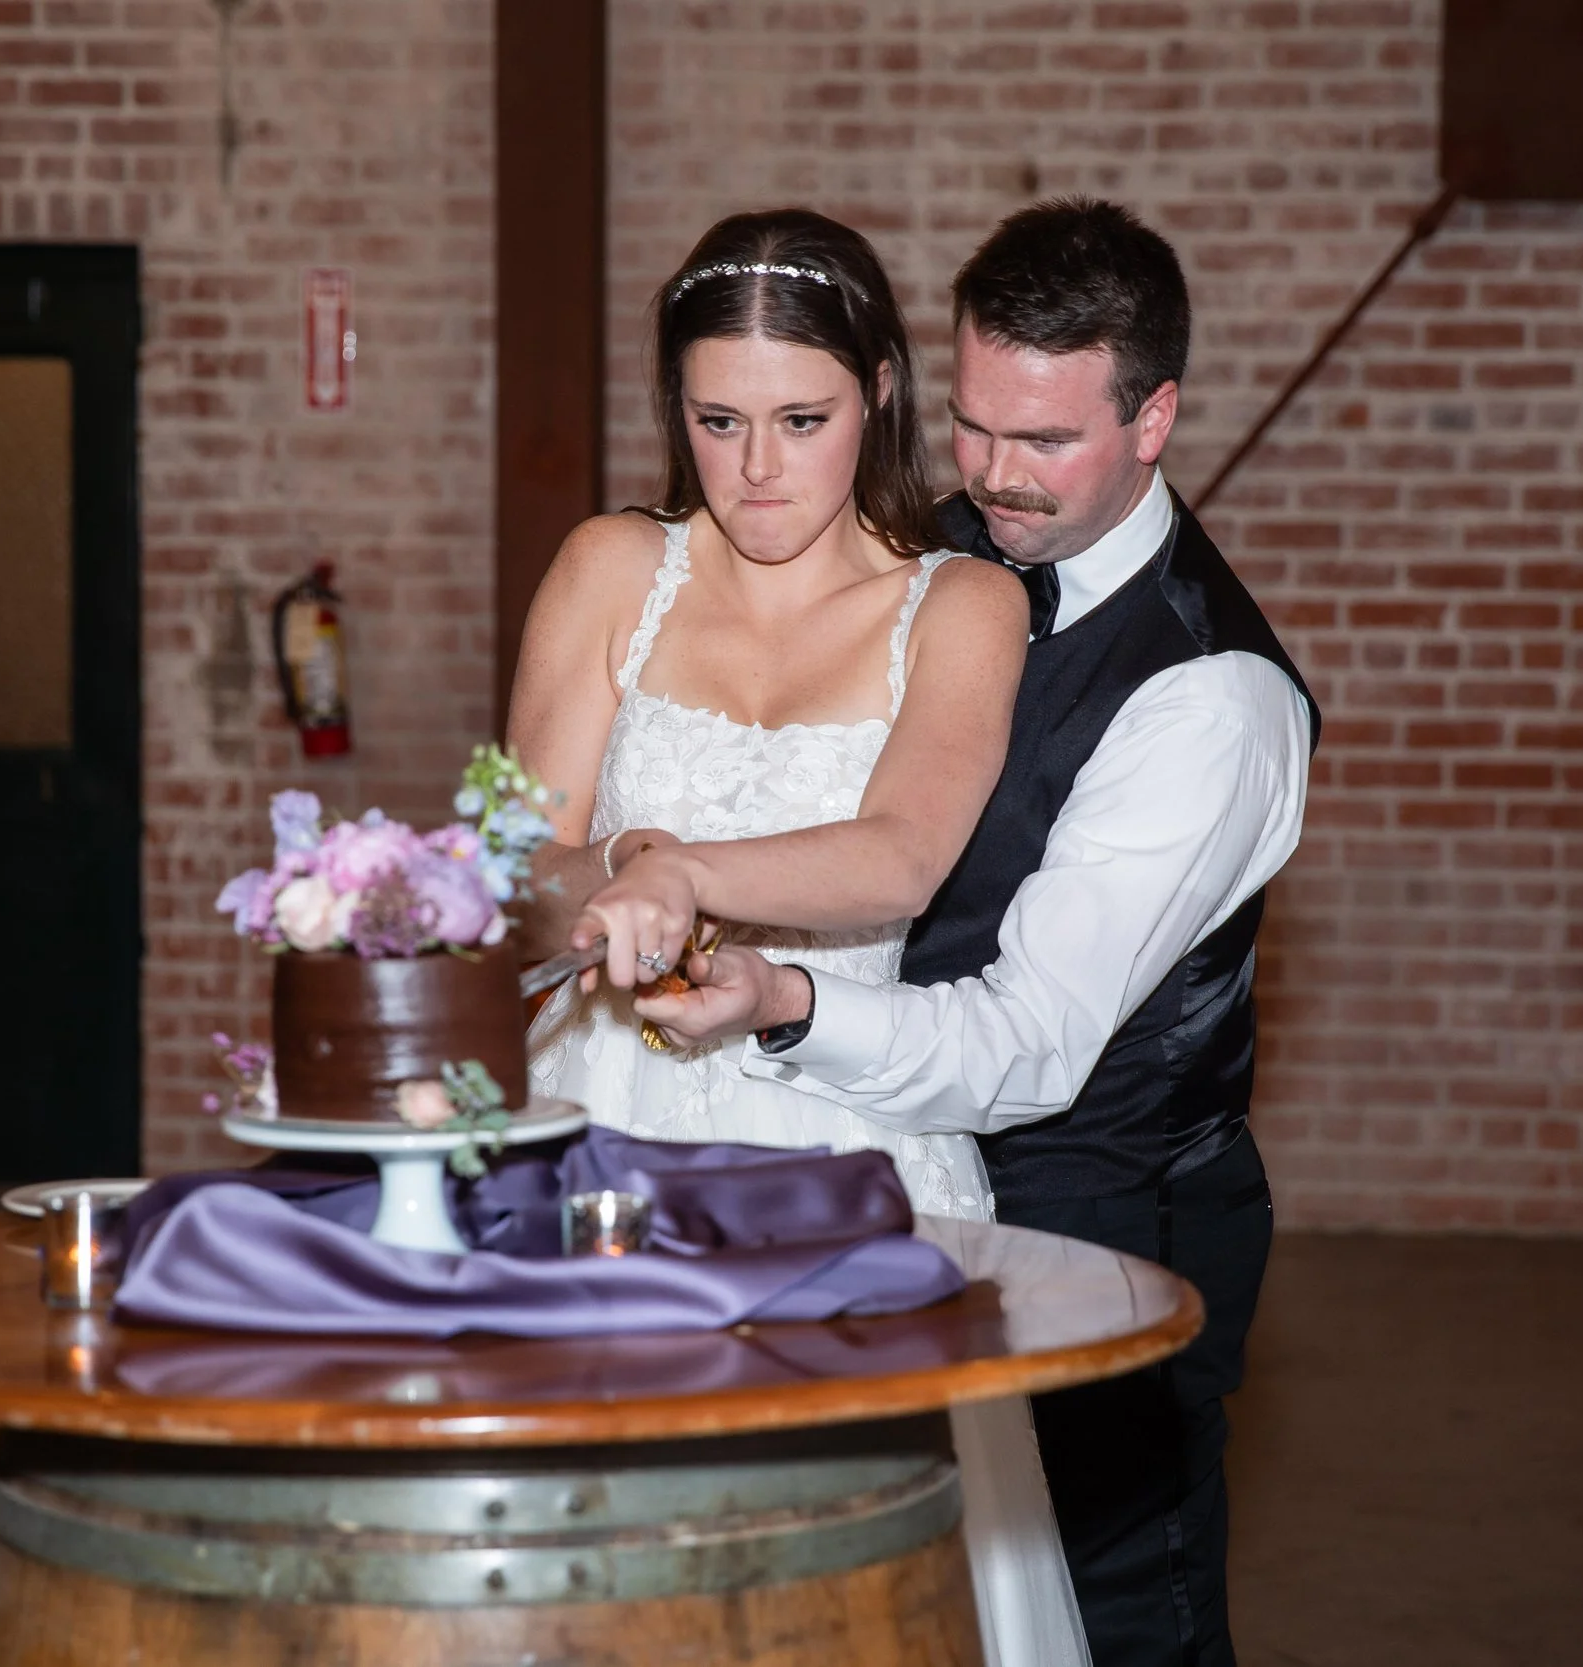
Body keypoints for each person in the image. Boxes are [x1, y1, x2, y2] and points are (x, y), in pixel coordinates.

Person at [609, 200, 1320, 1666]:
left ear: (1153, 418)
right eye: (977, 425)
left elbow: (1029, 1042)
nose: (993, 477)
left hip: (1098, 1230)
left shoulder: (1211, 700)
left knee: (1106, 1612)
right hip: (886, 1189)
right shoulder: (934, 562)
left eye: (1045, 442)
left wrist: (784, 1000)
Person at [507, 207, 1092, 1667]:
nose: (758, 468)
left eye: (801, 417)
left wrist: (683, 867)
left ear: (883, 390)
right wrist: (615, 864)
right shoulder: (608, 571)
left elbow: (902, 850)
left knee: (838, 1598)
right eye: (718, 419)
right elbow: (514, 864)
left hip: (839, 1141)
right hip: (595, 1135)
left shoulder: (959, 604)